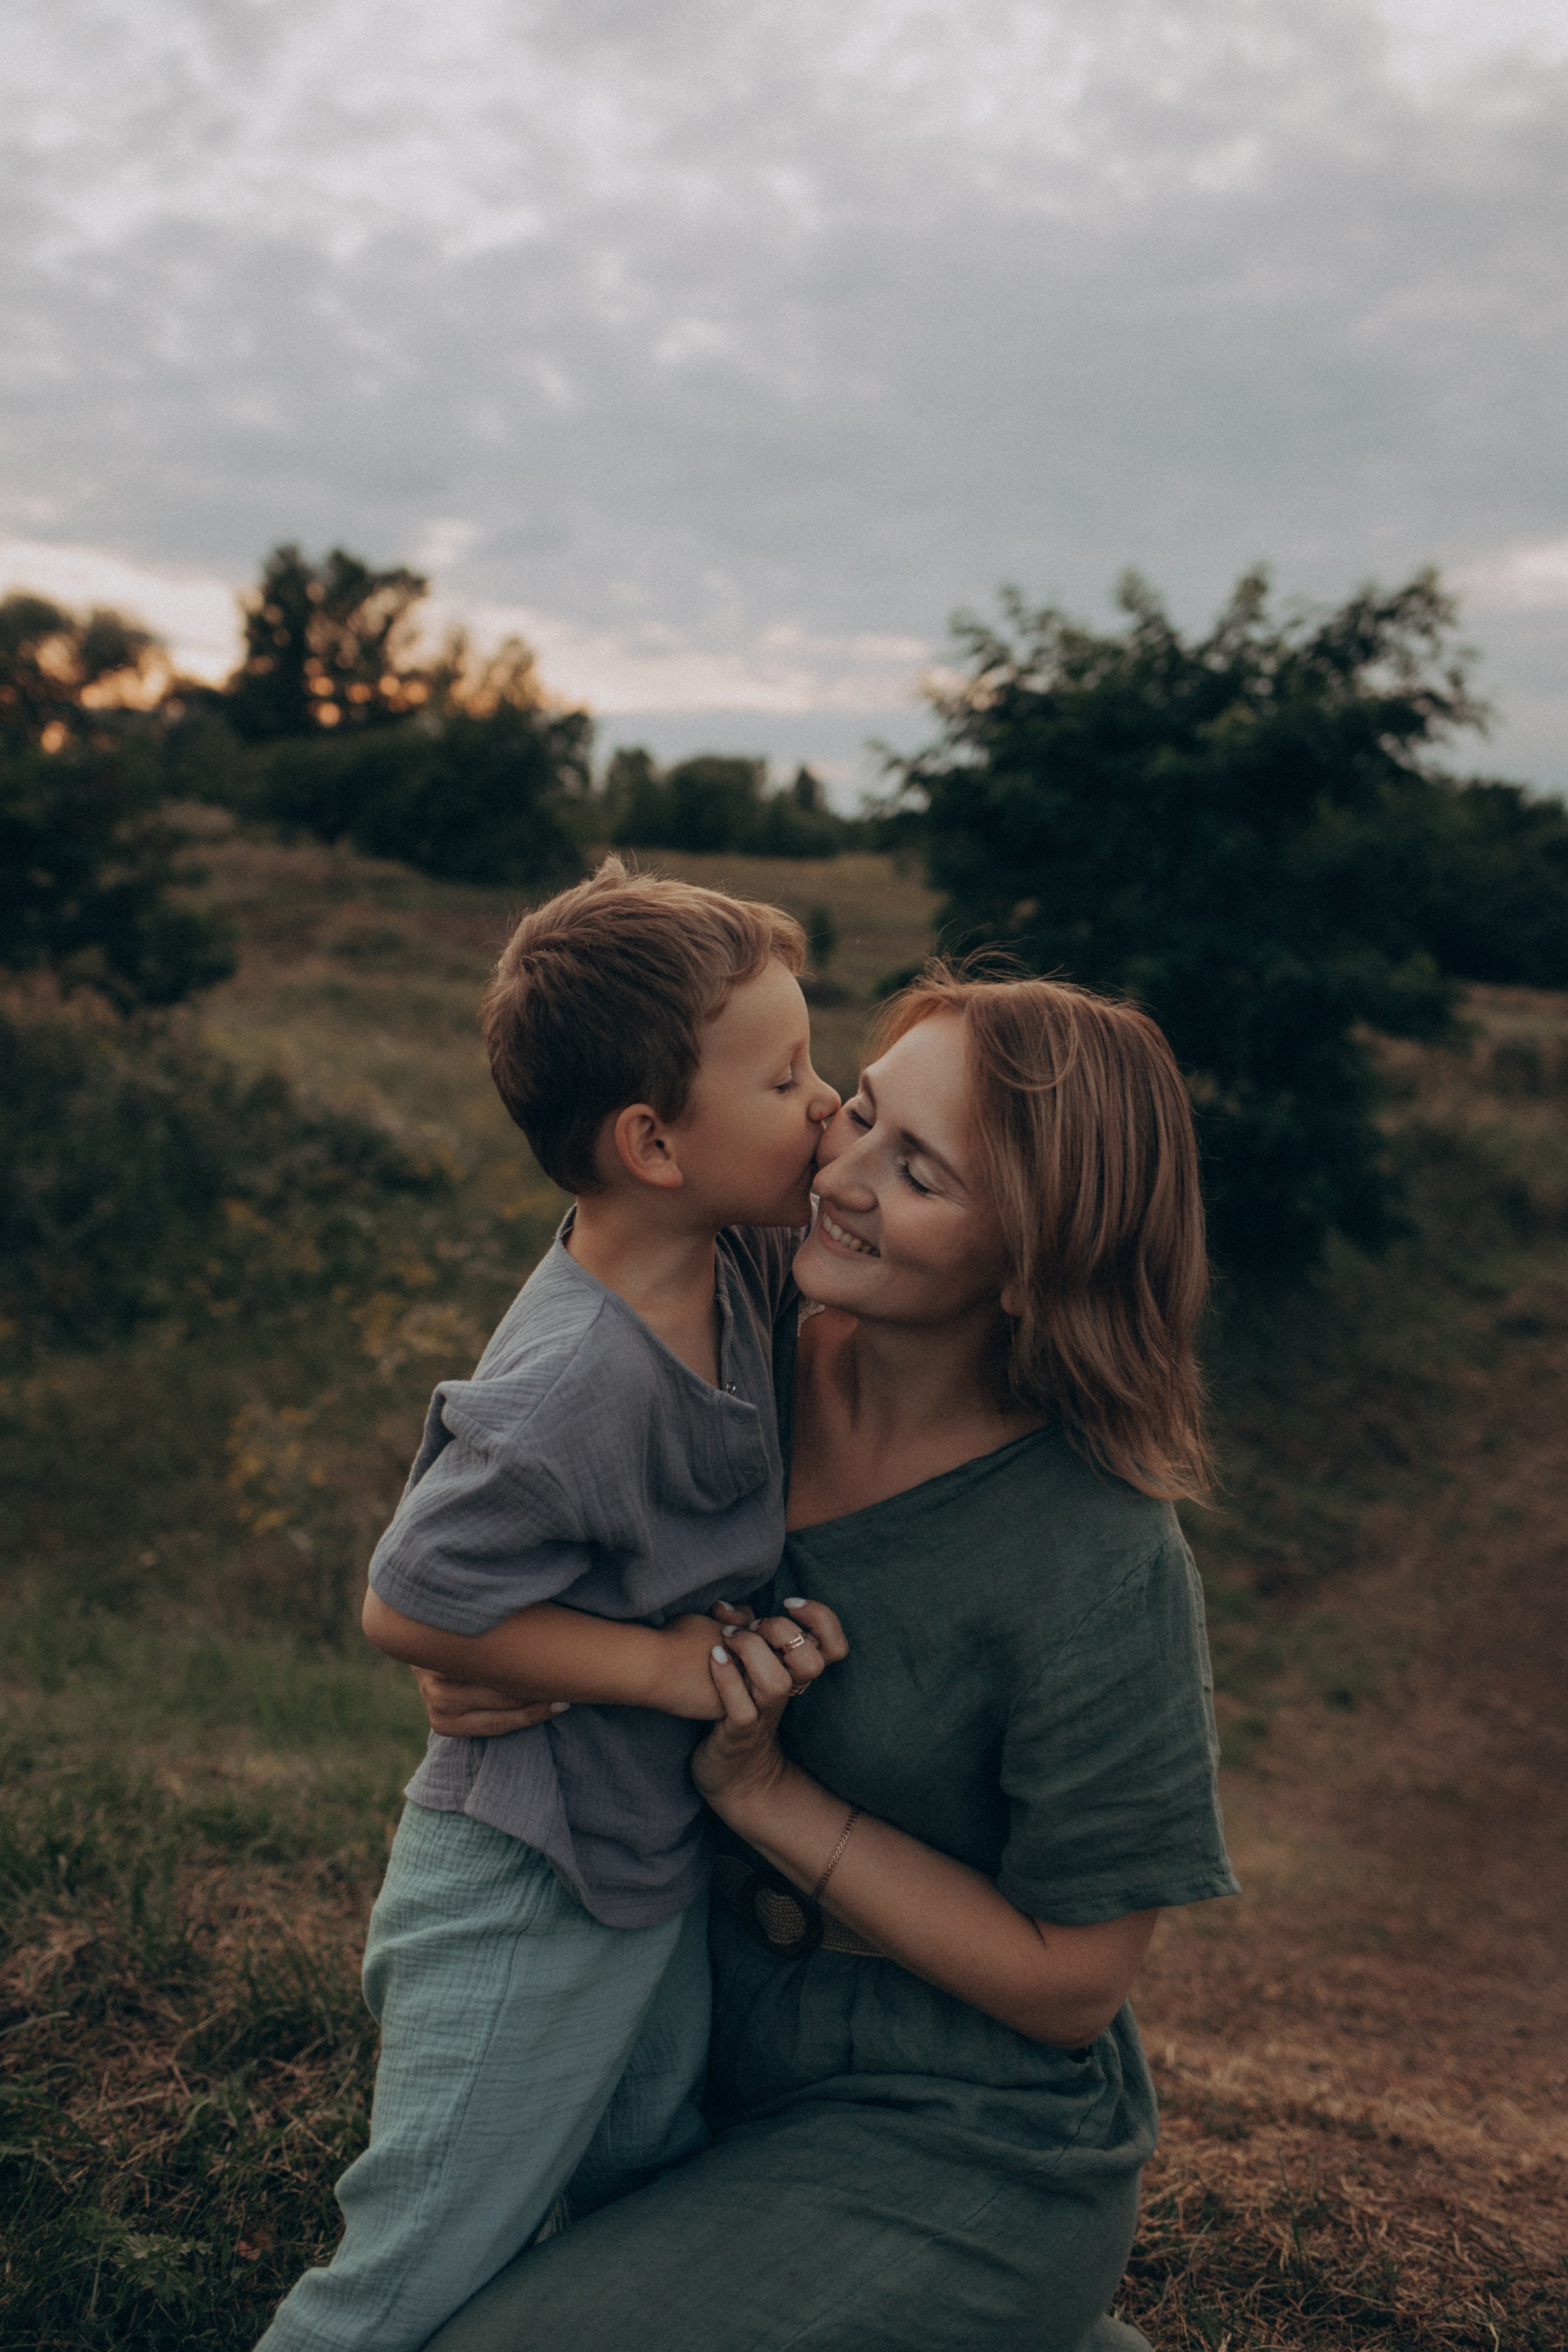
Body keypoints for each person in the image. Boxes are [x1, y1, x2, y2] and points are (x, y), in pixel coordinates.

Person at [417, 965, 1241, 2352]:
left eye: (914, 1169)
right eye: (856, 1111)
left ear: (1034, 1254)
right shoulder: (728, 1338)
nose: (838, 1171)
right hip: (681, 2035)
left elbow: (1072, 1981)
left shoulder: (1098, 1552)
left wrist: (770, 1801)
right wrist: (504, 1658)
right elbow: (505, 1548)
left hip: (953, 2128)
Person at [257, 859, 843, 2352]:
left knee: (645, 2190)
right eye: (786, 1079)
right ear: (653, 1141)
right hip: (523, 1879)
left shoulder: (741, 1257)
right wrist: (650, 1666)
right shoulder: (575, 1378)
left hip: (639, 1863)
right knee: (411, 2272)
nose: (829, 1102)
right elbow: (414, 1598)